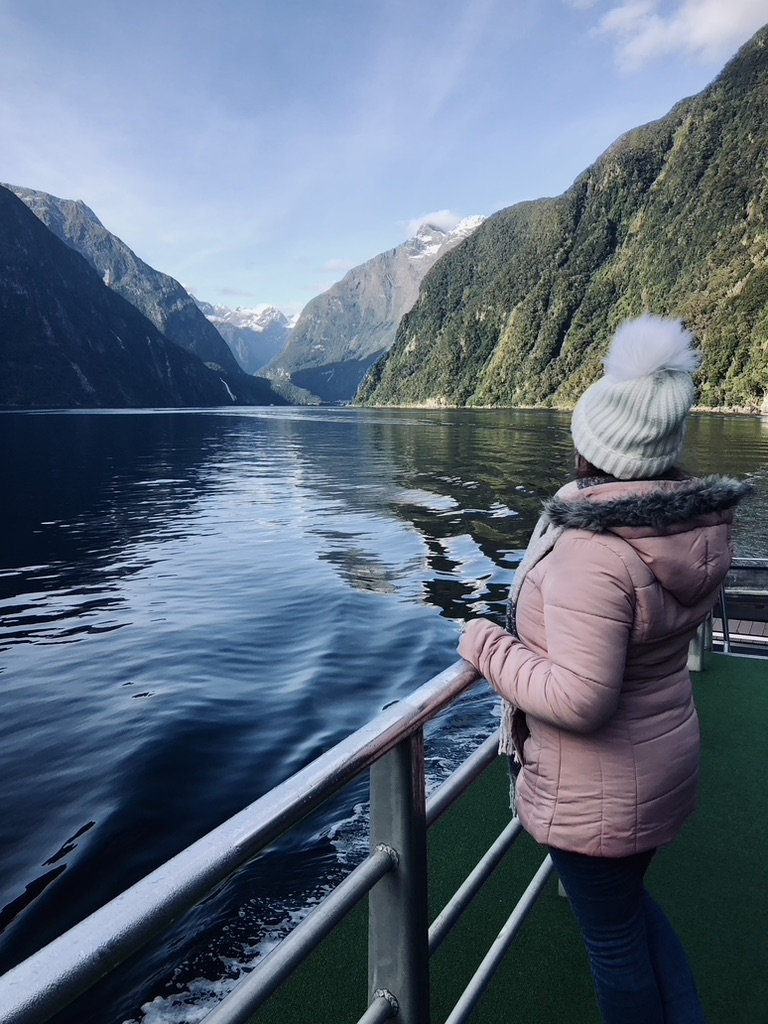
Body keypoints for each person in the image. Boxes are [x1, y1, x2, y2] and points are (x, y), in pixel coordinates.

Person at [458, 314, 752, 1024]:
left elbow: (583, 697)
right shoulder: (687, 525)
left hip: (600, 787)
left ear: (597, 447)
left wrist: (484, 645)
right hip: (657, 763)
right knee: (630, 918)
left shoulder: (598, 550)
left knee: (614, 943)